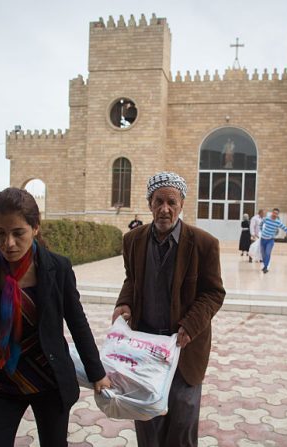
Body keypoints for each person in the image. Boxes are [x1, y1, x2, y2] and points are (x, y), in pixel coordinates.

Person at [0, 187, 111, 447]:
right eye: (0, 234)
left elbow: (78, 323)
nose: (9, 243)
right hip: (0, 380)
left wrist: (97, 373)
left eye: (18, 233)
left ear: (35, 227)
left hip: (49, 379)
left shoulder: (57, 268)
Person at [111, 172, 225, 447]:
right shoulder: (133, 241)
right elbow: (132, 279)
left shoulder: (203, 244)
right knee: (148, 424)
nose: (165, 209)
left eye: (171, 202)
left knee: (182, 426)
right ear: (150, 203)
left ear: (182, 204)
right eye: (158, 201)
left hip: (183, 350)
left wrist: (190, 325)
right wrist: (123, 303)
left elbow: (214, 292)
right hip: (145, 349)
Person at [259, 208, 287, 273]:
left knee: (268, 253)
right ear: (272, 212)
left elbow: (285, 229)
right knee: (263, 254)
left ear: (277, 215)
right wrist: (261, 231)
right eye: (274, 213)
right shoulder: (266, 218)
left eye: (276, 213)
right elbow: (261, 224)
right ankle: (264, 265)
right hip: (263, 239)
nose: (275, 214)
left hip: (270, 240)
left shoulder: (278, 222)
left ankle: (265, 267)